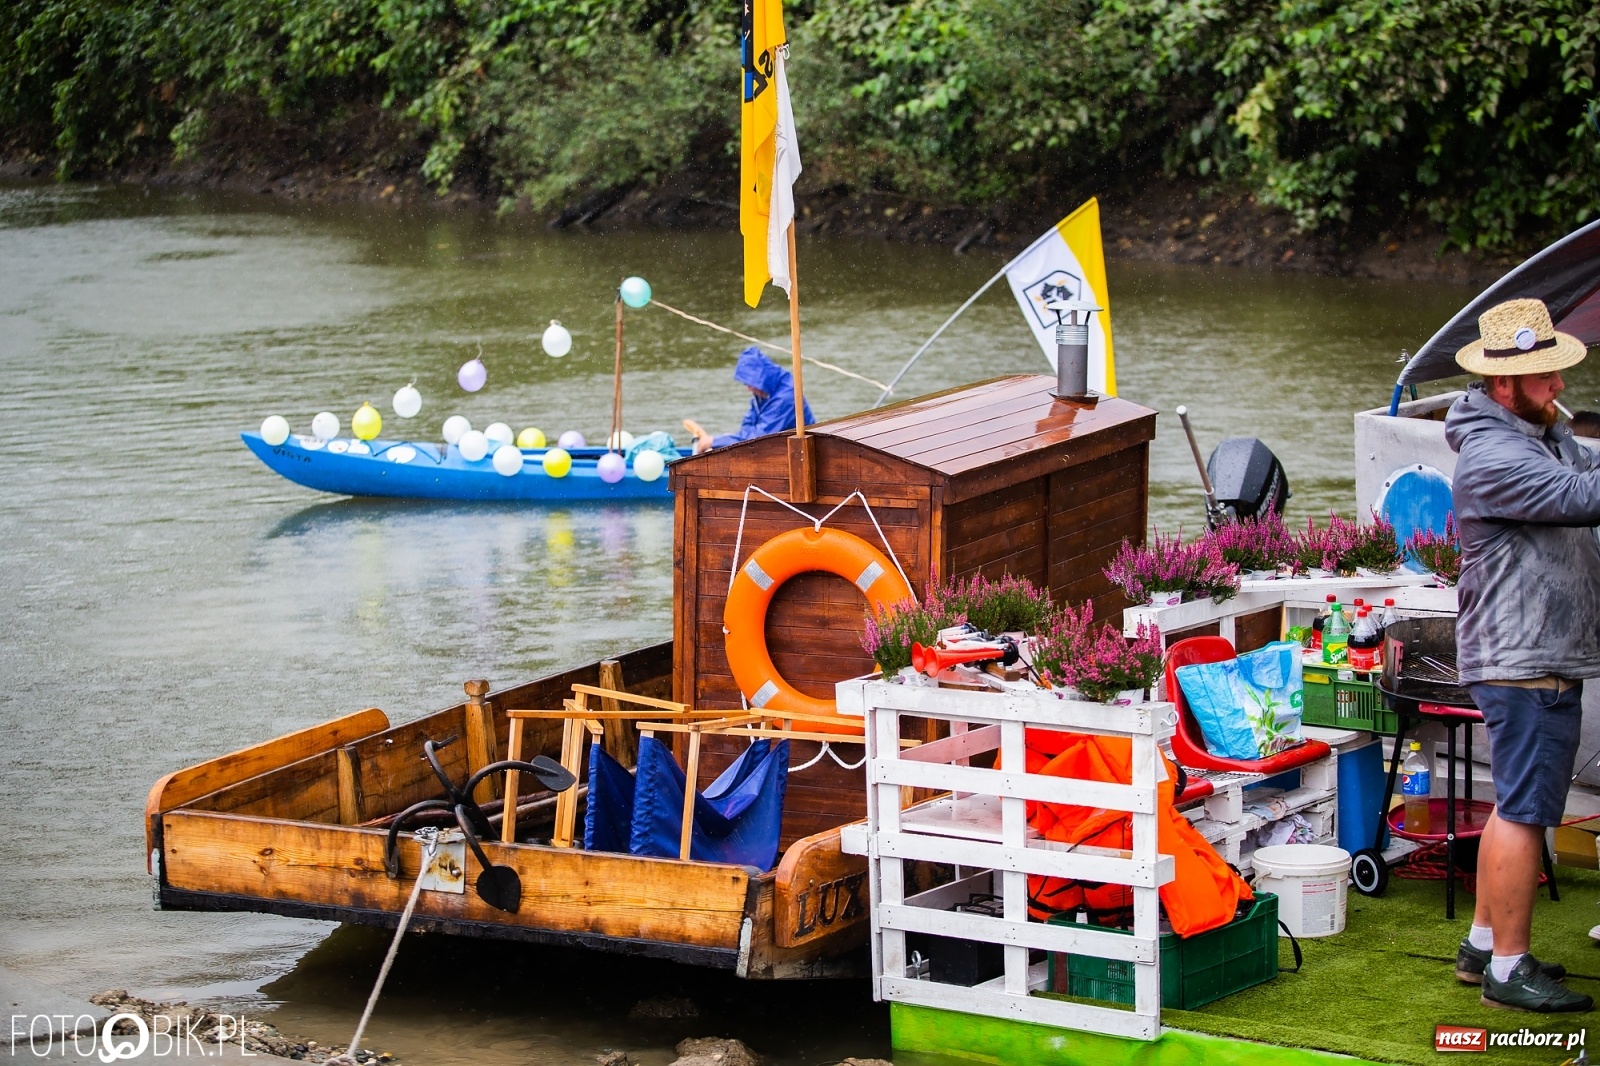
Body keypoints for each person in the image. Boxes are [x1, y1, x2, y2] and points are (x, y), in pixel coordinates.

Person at [1445, 297, 1600, 1013]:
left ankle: (1483, 944)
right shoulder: (1494, 455)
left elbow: (1582, 465)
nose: (1560, 388)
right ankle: (1508, 970)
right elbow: (1581, 494)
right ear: (1503, 386)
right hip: (1520, 659)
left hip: (1536, 654)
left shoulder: (1536, 435)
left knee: (1519, 805)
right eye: (1544, 378)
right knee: (1523, 813)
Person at [683, 346, 814, 453]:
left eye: (750, 384)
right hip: (777, 449)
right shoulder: (763, 393)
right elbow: (748, 425)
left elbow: (761, 437)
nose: (749, 389)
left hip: (800, 454)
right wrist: (729, 440)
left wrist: (714, 442)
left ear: (760, 379)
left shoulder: (786, 398)